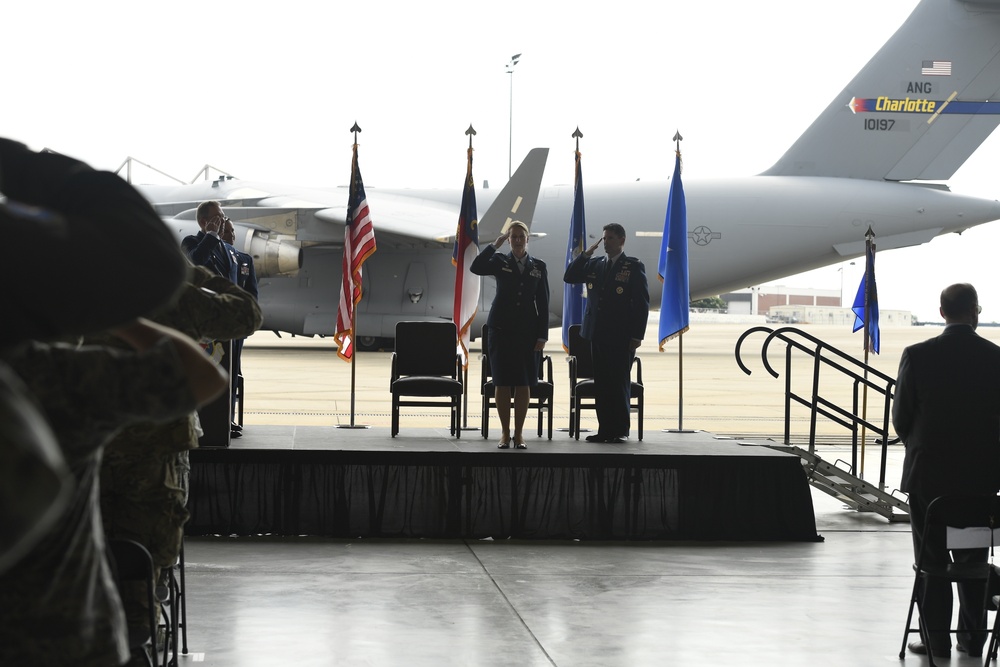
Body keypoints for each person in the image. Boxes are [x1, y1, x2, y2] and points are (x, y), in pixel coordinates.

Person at [893, 283, 1000, 660]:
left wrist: (926, 451)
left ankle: (935, 641)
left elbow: (901, 420)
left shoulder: (918, 356)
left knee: (931, 564)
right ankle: (973, 642)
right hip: (982, 485)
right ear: (976, 311)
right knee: (973, 562)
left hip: (929, 483)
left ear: (941, 313)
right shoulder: (996, 358)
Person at [563, 222, 649, 443]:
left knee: (618, 382)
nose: (606, 243)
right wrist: (584, 255)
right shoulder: (595, 265)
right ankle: (604, 430)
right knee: (602, 383)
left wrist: (636, 336)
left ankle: (619, 430)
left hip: (621, 335)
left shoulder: (632, 266)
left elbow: (641, 303)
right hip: (597, 333)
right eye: (604, 238)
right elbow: (569, 277)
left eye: (610, 238)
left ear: (622, 240)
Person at [471, 221, 549, 449]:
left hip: (527, 332)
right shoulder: (499, 261)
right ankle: (505, 433)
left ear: (528, 239)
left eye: (520, 236)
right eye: (512, 236)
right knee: (502, 382)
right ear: (509, 239)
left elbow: (542, 303)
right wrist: (495, 244)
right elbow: (476, 267)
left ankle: (519, 434)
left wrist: (542, 336)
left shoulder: (539, 266)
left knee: (524, 383)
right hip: (501, 330)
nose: (516, 240)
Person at [221, 217, 259, 437]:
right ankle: (218, 418)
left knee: (234, 371)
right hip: (217, 330)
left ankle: (229, 418)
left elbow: (251, 294)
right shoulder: (215, 257)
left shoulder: (243, 260)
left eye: (233, 231)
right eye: (227, 231)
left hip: (236, 330)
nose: (231, 235)